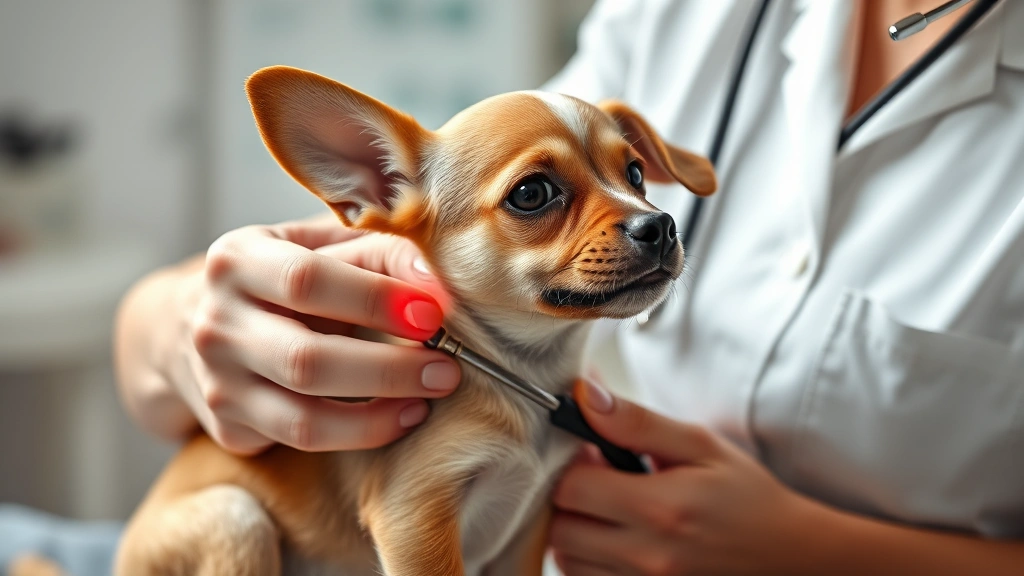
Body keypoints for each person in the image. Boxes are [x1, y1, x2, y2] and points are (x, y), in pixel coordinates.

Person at [115, 0, 1024, 574]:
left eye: (636, 175)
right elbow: (158, 351)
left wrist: (819, 555)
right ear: (379, 190)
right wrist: (174, 322)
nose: (639, 216)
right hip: (229, 538)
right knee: (230, 528)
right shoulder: (679, 17)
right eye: (540, 196)